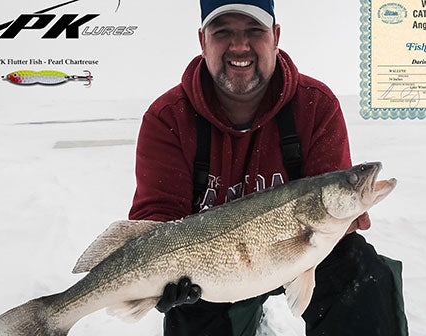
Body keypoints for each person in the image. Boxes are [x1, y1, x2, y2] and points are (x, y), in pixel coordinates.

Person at [128, 0, 407, 335]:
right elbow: (155, 220)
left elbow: (332, 208)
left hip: (303, 251)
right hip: (211, 276)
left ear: (275, 36)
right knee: (190, 317)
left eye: (254, 31)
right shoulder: (167, 118)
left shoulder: (316, 105)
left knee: (361, 273)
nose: (239, 45)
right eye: (223, 32)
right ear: (203, 41)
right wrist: (156, 281)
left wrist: (344, 218)